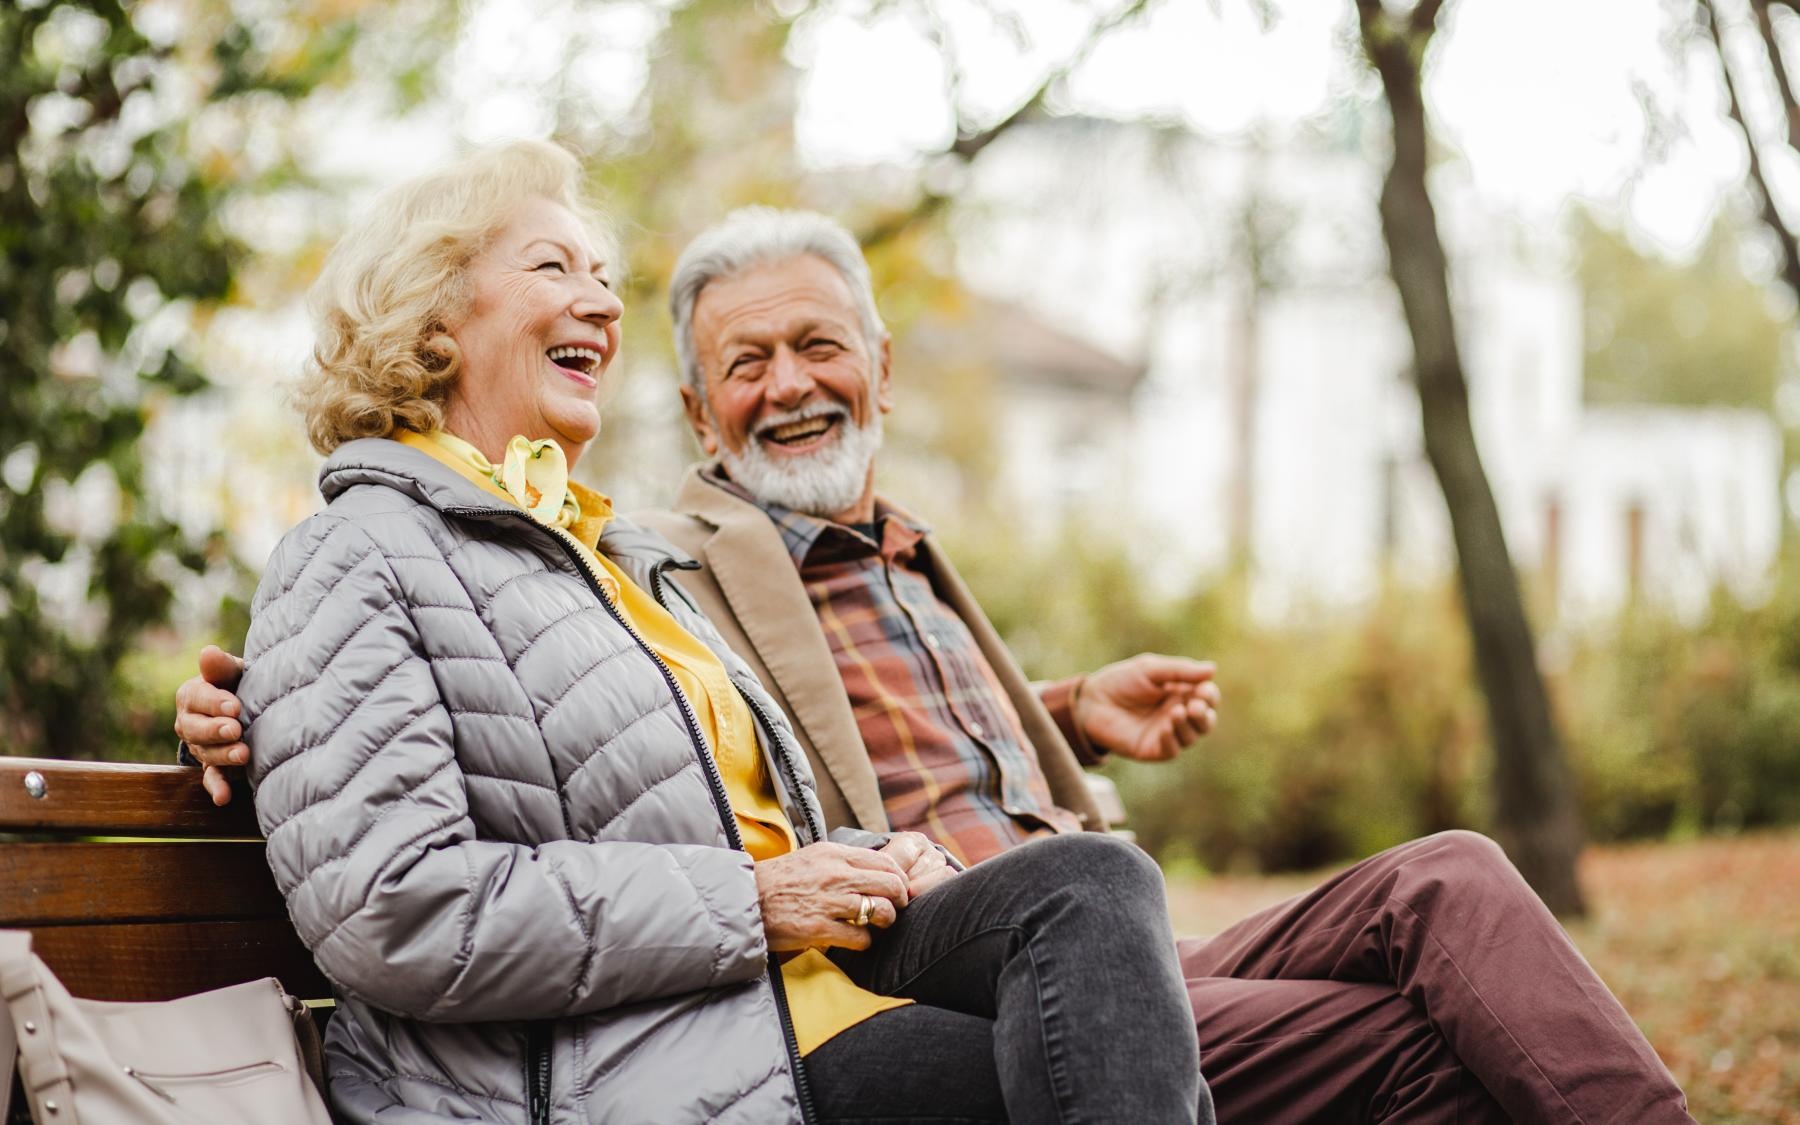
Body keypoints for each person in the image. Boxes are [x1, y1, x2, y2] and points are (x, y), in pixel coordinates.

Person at [181, 201, 1695, 1122]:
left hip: (1055, 937)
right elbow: (416, 770)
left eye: (820, 348)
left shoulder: (804, 558)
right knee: (1399, 1045)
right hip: (892, 969)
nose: (788, 388)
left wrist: (1061, 717)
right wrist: (232, 704)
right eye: (743, 365)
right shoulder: (668, 546)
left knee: (1444, 879)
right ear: (701, 418)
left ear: (885, 367)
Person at [227, 140, 1202, 1124]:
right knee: (1113, 1069)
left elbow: (719, 823)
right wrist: (756, 901)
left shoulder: (609, 554)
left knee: (1092, 883)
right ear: (432, 317)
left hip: (792, 991)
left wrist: (872, 855)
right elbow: (394, 907)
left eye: (603, 277)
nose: (607, 306)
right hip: (634, 1057)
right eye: (553, 267)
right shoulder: (355, 554)